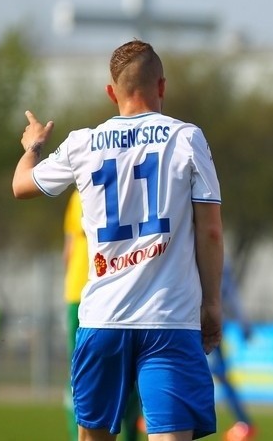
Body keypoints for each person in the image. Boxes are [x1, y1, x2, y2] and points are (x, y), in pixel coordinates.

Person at [12, 39, 224, 441]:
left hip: (102, 318)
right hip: (170, 320)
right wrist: (211, 304)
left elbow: (21, 185)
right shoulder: (186, 137)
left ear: (112, 92)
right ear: (162, 86)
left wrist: (33, 146)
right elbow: (210, 230)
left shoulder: (82, 143)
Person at [62, 189, 142, 441]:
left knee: (79, 375)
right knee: (132, 368)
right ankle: (129, 433)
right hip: (122, 289)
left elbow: (69, 250)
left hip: (81, 292)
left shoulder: (81, 191)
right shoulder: (131, 187)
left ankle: (81, 436)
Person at [211, 259, 255, 441]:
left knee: (217, 373)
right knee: (217, 373)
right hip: (206, 324)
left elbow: (229, 294)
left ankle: (244, 423)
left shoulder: (217, 260)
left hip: (205, 325)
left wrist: (243, 321)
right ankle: (244, 422)